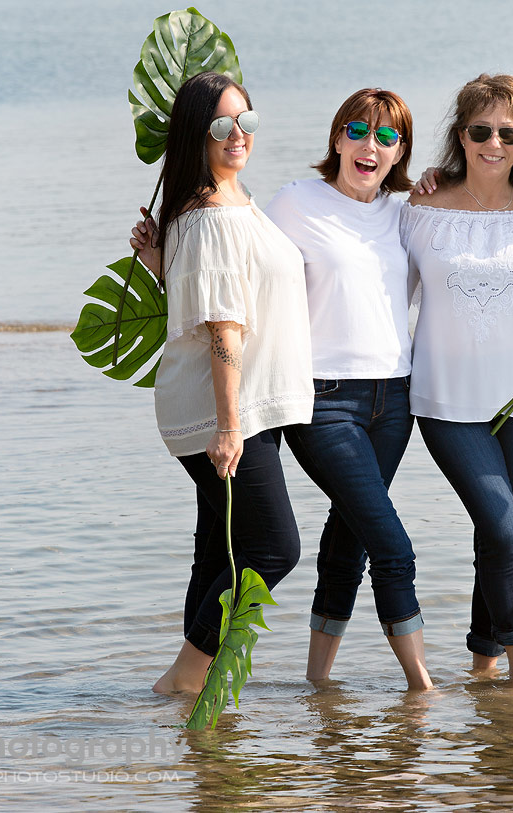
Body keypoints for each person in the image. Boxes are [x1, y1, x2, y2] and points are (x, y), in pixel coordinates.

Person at [135, 71, 314, 696]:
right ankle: (185, 676)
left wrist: (164, 266)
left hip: (230, 409)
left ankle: (195, 688)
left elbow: (208, 296)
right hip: (224, 413)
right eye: (220, 126)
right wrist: (230, 427)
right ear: (196, 135)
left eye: (246, 120)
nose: (238, 135)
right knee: (274, 548)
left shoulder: (224, 202)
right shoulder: (211, 215)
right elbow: (222, 331)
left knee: (219, 552)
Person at [265, 89, 433, 690]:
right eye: (358, 131)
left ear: (399, 153)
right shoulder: (294, 202)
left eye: (387, 138)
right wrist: (160, 257)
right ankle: (423, 688)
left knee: (350, 537)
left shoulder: (407, 210)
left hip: (394, 401)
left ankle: (318, 683)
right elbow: (238, 266)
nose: (370, 145)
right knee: (393, 546)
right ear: (337, 138)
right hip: (322, 400)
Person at [403, 74, 513, 679]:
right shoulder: (417, 210)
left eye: (508, 132)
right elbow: (378, 290)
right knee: (503, 530)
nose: (493, 142)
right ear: (460, 135)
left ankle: (482, 663)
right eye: (480, 130)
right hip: (446, 403)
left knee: (502, 537)